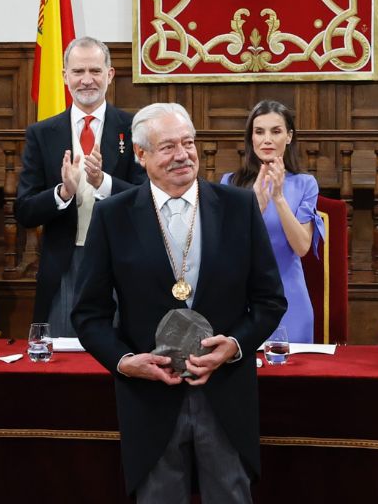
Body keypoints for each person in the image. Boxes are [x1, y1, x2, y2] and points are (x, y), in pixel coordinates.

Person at [72, 103, 286, 503]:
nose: (183, 155)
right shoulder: (112, 216)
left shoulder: (238, 207)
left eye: (188, 143)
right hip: (149, 399)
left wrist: (234, 346)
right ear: (141, 154)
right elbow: (88, 314)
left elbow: (270, 300)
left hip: (224, 394)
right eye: (168, 146)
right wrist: (124, 362)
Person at [16, 37, 145, 336]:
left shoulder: (134, 128)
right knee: (64, 356)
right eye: (78, 72)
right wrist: (62, 193)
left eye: (95, 71)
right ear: (65, 76)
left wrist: (104, 183)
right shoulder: (41, 133)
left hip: (121, 262)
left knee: (121, 352)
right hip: (65, 264)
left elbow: (147, 199)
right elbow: (24, 210)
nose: (87, 80)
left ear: (110, 74)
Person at [221, 100, 322, 343]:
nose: (267, 139)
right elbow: (226, 251)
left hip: (290, 298)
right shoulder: (230, 183)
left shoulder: (305, 184)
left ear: (289, 136)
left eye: (275, 131)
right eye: (259, 132)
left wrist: (278, 198)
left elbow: (302, 247)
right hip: (242, 297)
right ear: (251, 138)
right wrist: (255, 208)